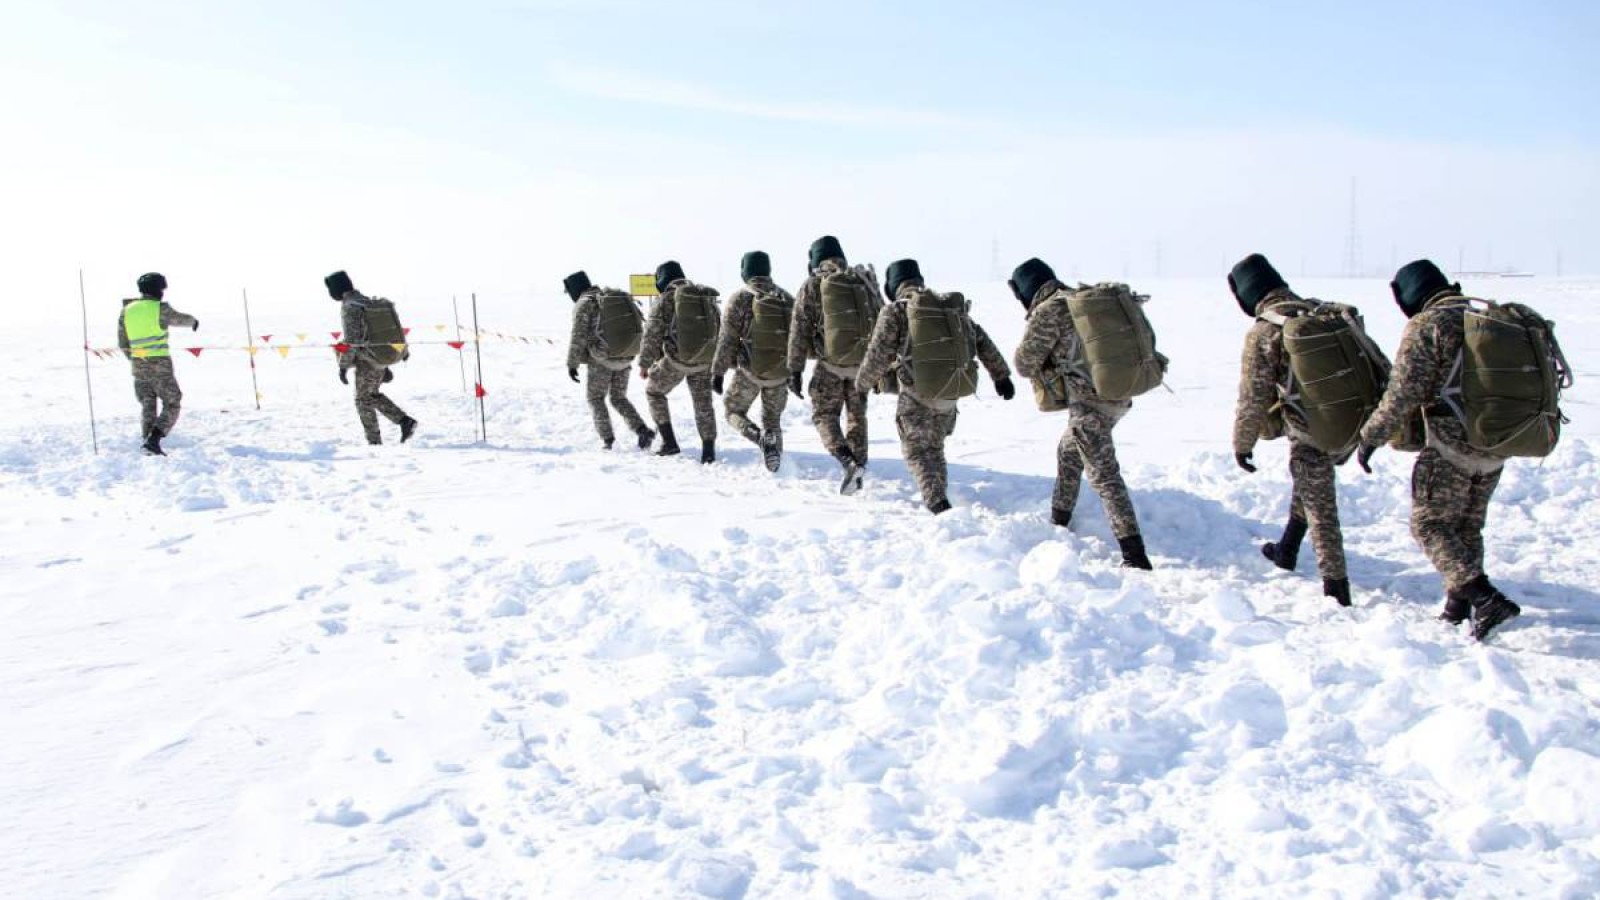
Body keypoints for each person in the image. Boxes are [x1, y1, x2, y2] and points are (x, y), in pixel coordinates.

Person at [1355, 259, 1521, 640]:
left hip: (1451, 446)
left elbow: (1402, 394)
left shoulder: (1428, 325)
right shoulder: (1485, 317)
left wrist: (1371, 436)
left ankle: (1484, 598)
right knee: (1467, 525)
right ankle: (1458, 607)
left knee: (1429, 524)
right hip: (1497, 443)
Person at [1009, 258, 1153, 569]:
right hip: (1119, 394)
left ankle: (1134, 554)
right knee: (1068, 451)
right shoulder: (1081, 301)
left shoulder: (1049, 311)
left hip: (1090, 406)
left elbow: (1023, 364)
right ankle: (1059, 519)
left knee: (1104, 477)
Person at [1228, 253, 1351, 606]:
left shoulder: (1266, 330)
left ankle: (1336, 588)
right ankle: (1287, 549)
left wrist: (1243, 443)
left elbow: (1252, 397)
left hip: (1310, 428)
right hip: (1347, 419)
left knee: (1320, 507)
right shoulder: (1318, 312)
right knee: (1310, 485)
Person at [855, 259, 1014, 514]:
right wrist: (1001, 376)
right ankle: (942, 500)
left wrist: (861, 384)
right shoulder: (946, 309)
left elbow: (877, 354)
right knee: (935, 449)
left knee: (917, 452)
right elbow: (982, 340)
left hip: (916, 397)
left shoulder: (896, 311)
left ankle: (937, 504)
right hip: (949, 395)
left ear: (892, 285)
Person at [787, 235, 878, 494]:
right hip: (863, 364)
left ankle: (847, 462)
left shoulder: (814, 284)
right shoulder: (862, 281)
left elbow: (799, 329)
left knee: (824, 414)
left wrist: (795, 369)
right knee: (857, 417)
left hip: (831, 364)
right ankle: (859, 468)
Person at [711, 251, 792, 472]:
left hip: (749, 372)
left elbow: (727, 338)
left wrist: (718, 372)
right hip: (780, 373)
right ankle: (777, 466)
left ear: (745, 272)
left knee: (732, 410)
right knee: (772, 419)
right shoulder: (786, 298)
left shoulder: (741, 298)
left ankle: (759, 438)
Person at [564, 270, 654, 450]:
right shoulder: (609, 298)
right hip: (625, 356)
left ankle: (608, 440)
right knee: (618, 398)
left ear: (575, 289)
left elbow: (578, 336)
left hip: (602, 360)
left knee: (596, 398)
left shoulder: (585, 303)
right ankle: (642, 430)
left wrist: (572, 364)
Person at [640, 261, 720, 463]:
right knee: (703, 404)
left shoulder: (666, 299)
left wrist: (644, 364)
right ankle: (708, 451)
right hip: (704, 360)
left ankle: (669, 443)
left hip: (676, 361)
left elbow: (651, 335)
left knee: (653, 392)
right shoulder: (704, 296)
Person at [327, 270, 417, 446]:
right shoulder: (364, 300)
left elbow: (353, 340)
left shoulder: (349, 306)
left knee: (362, 400)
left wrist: (343, 366)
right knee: (370, 396)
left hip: (367, 360)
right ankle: (403, 422)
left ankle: (375, 443)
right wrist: (387, 362)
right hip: (378, 357)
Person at [117, 272, 197, 455]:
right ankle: (154, 439)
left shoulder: (127, 310)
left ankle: (147, 441)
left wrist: (137, 359)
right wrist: (193, 322)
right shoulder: (159, 309)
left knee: (147, 403)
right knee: (173, 402)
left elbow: (123, 343)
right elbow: (180, 319)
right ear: (158, 289)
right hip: (160, 366)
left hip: (138, 365)